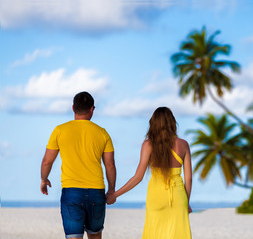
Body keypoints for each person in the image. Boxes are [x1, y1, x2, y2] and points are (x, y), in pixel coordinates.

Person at [107, 107, 192, 239]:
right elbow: (189, 179)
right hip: (178, 196)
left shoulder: (148, 145)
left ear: (153, 124)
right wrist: (186, 202)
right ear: (173, 123)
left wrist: (115, 194)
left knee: (155, 233)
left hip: (156, 196)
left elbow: (138, 177)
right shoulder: (183, 144)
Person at [40, 91, 116, 239]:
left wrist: (44, 179)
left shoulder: (59, 130)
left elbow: (47, 161)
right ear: (92, 109)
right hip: (96, 192)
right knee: (95, 236)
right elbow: (110, 166)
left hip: (71, 192)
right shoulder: (103, 133)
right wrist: (112, 189)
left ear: (73, 108)